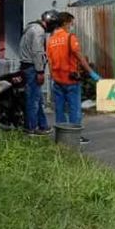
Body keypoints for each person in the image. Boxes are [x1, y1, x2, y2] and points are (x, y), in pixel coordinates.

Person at [46, 12, 101, 145]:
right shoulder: (70, 37)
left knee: (59, 109)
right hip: (71, 80)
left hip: (57, 80)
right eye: (71, 23)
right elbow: (79, 57)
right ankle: (75, 136)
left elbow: (49, 61)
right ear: (65, 23)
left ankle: (61, 137)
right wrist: (92, 73)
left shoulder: (51, 40)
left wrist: (52, 76)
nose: (72, 25)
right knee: (74, 109)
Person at [19, 9, 58, 135]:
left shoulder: (31, 28)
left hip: (27, 67)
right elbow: (37, 52)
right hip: (32, 68)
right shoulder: (38, 31)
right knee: (33, 99)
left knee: (37, 98)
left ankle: (42, 125)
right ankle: (31, 127)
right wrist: (40, 71)